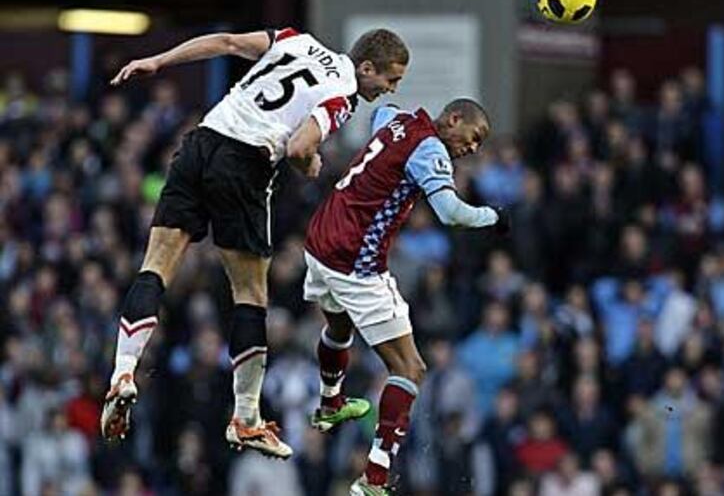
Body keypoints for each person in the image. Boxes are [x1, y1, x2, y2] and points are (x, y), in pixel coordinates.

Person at [100, 26, 410, 461]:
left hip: (201, 142)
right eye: (390, 80)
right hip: (245, 162)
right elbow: (301, 145)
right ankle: (246, 418)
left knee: (155, 266)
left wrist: (159, 60)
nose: (390, 89)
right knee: (250, 295)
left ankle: (123, 372)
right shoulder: (343, 96)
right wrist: (310, 163)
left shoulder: (294, 38)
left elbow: (225, 42)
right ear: (366, 67)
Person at [302, 99, 508, 495]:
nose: (473, 149)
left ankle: (330, 402)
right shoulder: (430, 148)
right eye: (474, 137)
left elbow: (378, 114)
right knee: (411, 368)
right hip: (355, 262)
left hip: (320, 242)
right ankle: (374, 479)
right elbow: (450, 213)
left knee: (339, 324)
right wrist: (495, 217)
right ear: (454, 119)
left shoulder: (398, 118)